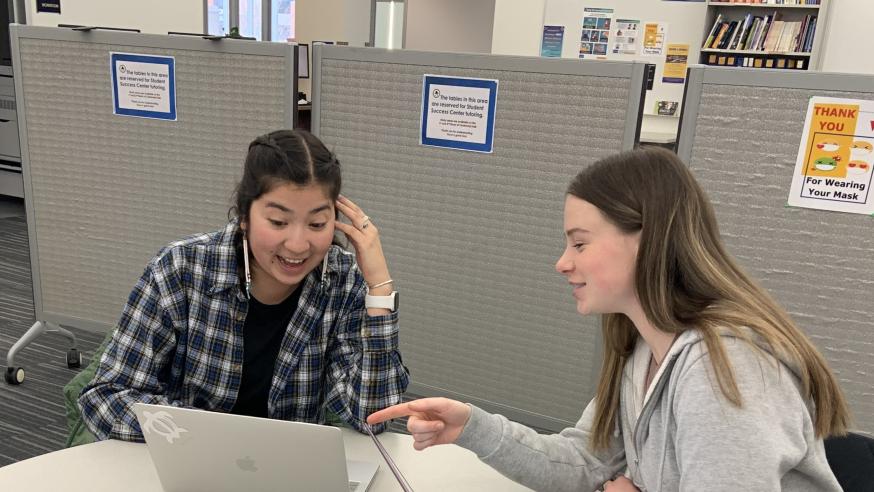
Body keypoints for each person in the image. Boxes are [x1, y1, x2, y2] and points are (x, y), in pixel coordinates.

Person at [368, 147, 850, 491]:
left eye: (580, 243)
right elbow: (585, 462)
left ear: (648, 239)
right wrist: (471, 427)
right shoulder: (644, 349)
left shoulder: (725, 369)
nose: (562, 262)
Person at [79, 129, 409, 442]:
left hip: (291, 470)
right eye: (278, 222)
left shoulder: (343, 281)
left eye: (317, 223)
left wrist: (379, 289)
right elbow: (106, 396)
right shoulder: (181, 268)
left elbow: (370, 417)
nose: (297, 245)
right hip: (191, 460)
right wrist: (208, 437)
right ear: (245, 216)